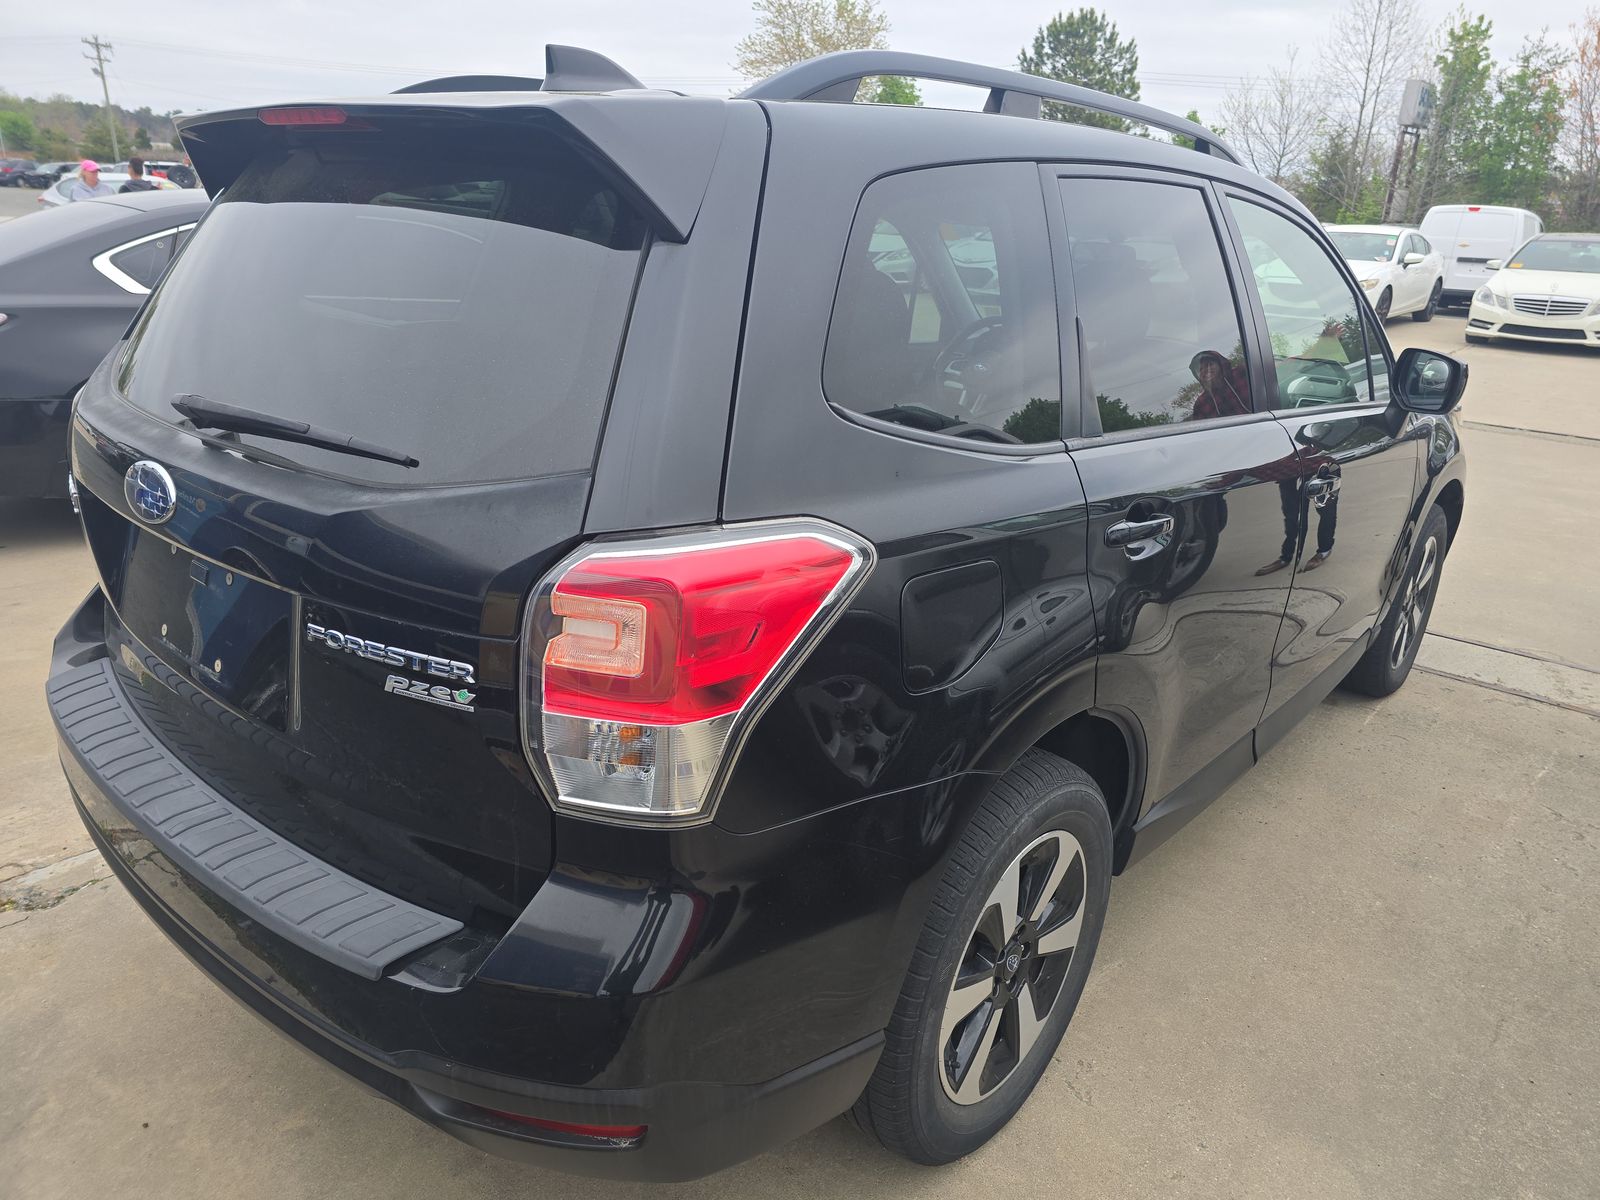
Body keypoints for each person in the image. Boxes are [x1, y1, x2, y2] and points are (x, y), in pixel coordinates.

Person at [1188, 350, 1251, 421]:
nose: (1205, 370)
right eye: (1200, 369)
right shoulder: (1201, 403)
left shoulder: (1242, 373)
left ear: (1221, 365)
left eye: (1209, 364)